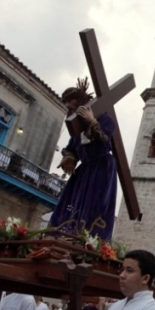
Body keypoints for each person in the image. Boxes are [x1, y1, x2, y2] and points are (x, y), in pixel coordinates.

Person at [49, 78, 118, 239]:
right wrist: (69, 157)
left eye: (71, 105)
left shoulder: (104, 119)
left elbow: (106, 142)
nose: (69, 109)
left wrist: (92, 121)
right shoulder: (77, 127)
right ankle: (64, 233)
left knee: (94, 203)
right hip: (85, 169)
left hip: (101, 167)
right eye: (66, 106)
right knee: (71, 201)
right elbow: (71, 147)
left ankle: (89, 238)